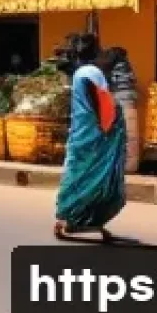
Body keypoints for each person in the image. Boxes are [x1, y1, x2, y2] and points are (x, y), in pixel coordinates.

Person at [53, 33, 127, 238]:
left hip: (82, 131)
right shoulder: (91, 72)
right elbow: (103, 105)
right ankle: (77, 216)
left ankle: (73, 217)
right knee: (94, 175)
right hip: (94, 134)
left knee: (78, 173)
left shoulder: (79, 74)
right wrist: (111, 128)